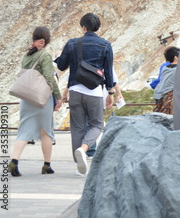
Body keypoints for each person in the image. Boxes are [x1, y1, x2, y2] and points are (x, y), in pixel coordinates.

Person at [56, 13, 115, 175]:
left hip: (75, 90)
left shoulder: (72, 43)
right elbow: (108, 71)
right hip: (95, 91)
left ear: (83, 27)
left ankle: (79, 167)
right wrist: (110, 92)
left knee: (77, 127)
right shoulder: (105, 45)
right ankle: (84, 149)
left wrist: (57, 57)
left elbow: (61, 66)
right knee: (97, 124)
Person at [8, 27, 63, 177]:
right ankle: (46, 165)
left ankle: (14, 160)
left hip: (26, 98)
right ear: (46, 40)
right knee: (46, 131)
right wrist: (58, 97)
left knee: (24, 131)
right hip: (41, 98)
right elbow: (49, 78)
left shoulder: (27, 55)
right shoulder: (45, 55)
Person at [153, 47, 179, 115]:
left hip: (159, 95)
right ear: (176, 57)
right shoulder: (179, 69)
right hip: (168, 98)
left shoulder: (165, 68)